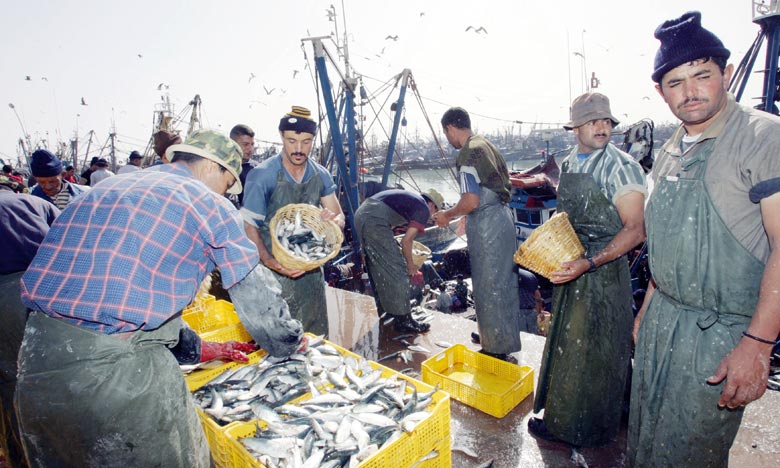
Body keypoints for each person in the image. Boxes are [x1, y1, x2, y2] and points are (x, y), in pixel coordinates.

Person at [15, 129, 303, 467]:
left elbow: (125, 287)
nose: (227, 193)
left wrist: (196, 349)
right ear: (216, 167)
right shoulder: (208, 203)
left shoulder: (101, 190)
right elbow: (254, 290)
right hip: (114, 378)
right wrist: (288, 342)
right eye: (229, 184)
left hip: (36, 363)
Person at [630, 11, 780, 467]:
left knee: (687, 453)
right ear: (661, 91)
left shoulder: (763, 137)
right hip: (663, 321)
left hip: (720, 334)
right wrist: (648, 306)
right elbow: (667, 239)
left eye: (702, 75)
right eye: (675, 82)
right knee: (645, 438)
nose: (689, 91)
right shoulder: (672, 146)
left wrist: (757, 346)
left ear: (726, 74)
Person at [528, 92, 647, 447]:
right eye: (593, 121)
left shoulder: (621, 166)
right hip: (572, 267)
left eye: (606, 121)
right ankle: (588, 413)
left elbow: (635, 230)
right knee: (571, 347)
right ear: (575, 127)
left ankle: (581, 430)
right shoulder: (569, 164)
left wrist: (590, 262)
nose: (602, 127)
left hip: (604, 272)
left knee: (598, 351)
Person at [241, 106, 345, 336]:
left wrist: (334, 221)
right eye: (291, 141)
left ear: (313, 140)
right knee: (279, 338)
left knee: (316, 337)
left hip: (310, 273)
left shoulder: (321, 174)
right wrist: (270, 261)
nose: (299, 149)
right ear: (281, 137)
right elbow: (249, 226)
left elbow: (339, 216)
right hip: (273, 272)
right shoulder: (262, 175)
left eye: (306, 142)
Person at [434, 107, 521, 361]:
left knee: (488, 286)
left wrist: (447, 215)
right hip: (500, 219)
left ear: (450, 128)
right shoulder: (486, 145)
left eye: (445, 133)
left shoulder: (468, 153)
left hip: (487, 227)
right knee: (503, 284)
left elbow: (471, 201)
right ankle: (494, 336)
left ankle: (495, 350)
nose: (447, 139)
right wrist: (466, 215)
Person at [0, 182, 59, 468]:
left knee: (11, 380)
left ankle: (24, 457)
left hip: (5, 302)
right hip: (45, 287)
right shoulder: (35, 203)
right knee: (55, 371)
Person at [354, 188, 443, 333]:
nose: (432, 216)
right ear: (432, 205)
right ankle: (404, 321)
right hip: (373, 219)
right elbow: (406, 242)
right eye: (435, 211)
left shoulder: (412, 202)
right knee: (398, 269)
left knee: (378, 268)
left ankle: (386, 312)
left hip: (362, 214)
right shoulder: (423, 209)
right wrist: (410, 265)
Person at [230, 123, 257, 206]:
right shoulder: (220, 167)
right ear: (233, 144)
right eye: (245, 144)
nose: (250, 149)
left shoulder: (256, 170)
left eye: (252, 144)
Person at [517, 267, 542, 334]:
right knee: (533, 336)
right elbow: (538, 297)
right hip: (531, 311)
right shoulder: (530, 275)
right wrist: (539, 312)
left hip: (518, 312)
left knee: (521, 337)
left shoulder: (511, 275)